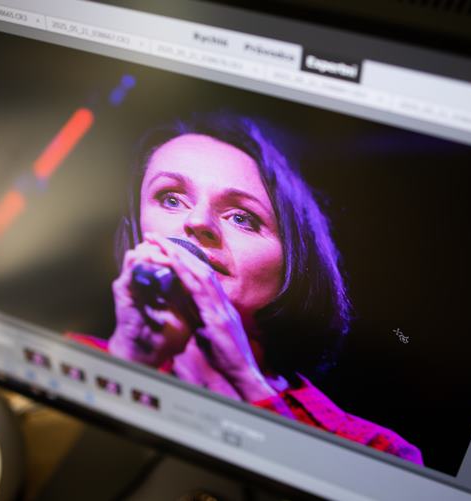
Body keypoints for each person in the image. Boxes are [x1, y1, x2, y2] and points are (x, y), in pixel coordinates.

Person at [70, 113, 423, 465]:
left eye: (242, 218)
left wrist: (246, 383)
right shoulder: (74, 360)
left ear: (294, 263)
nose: (197, 222)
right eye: (171, 199)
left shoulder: (376, 451)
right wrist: (126, 365)